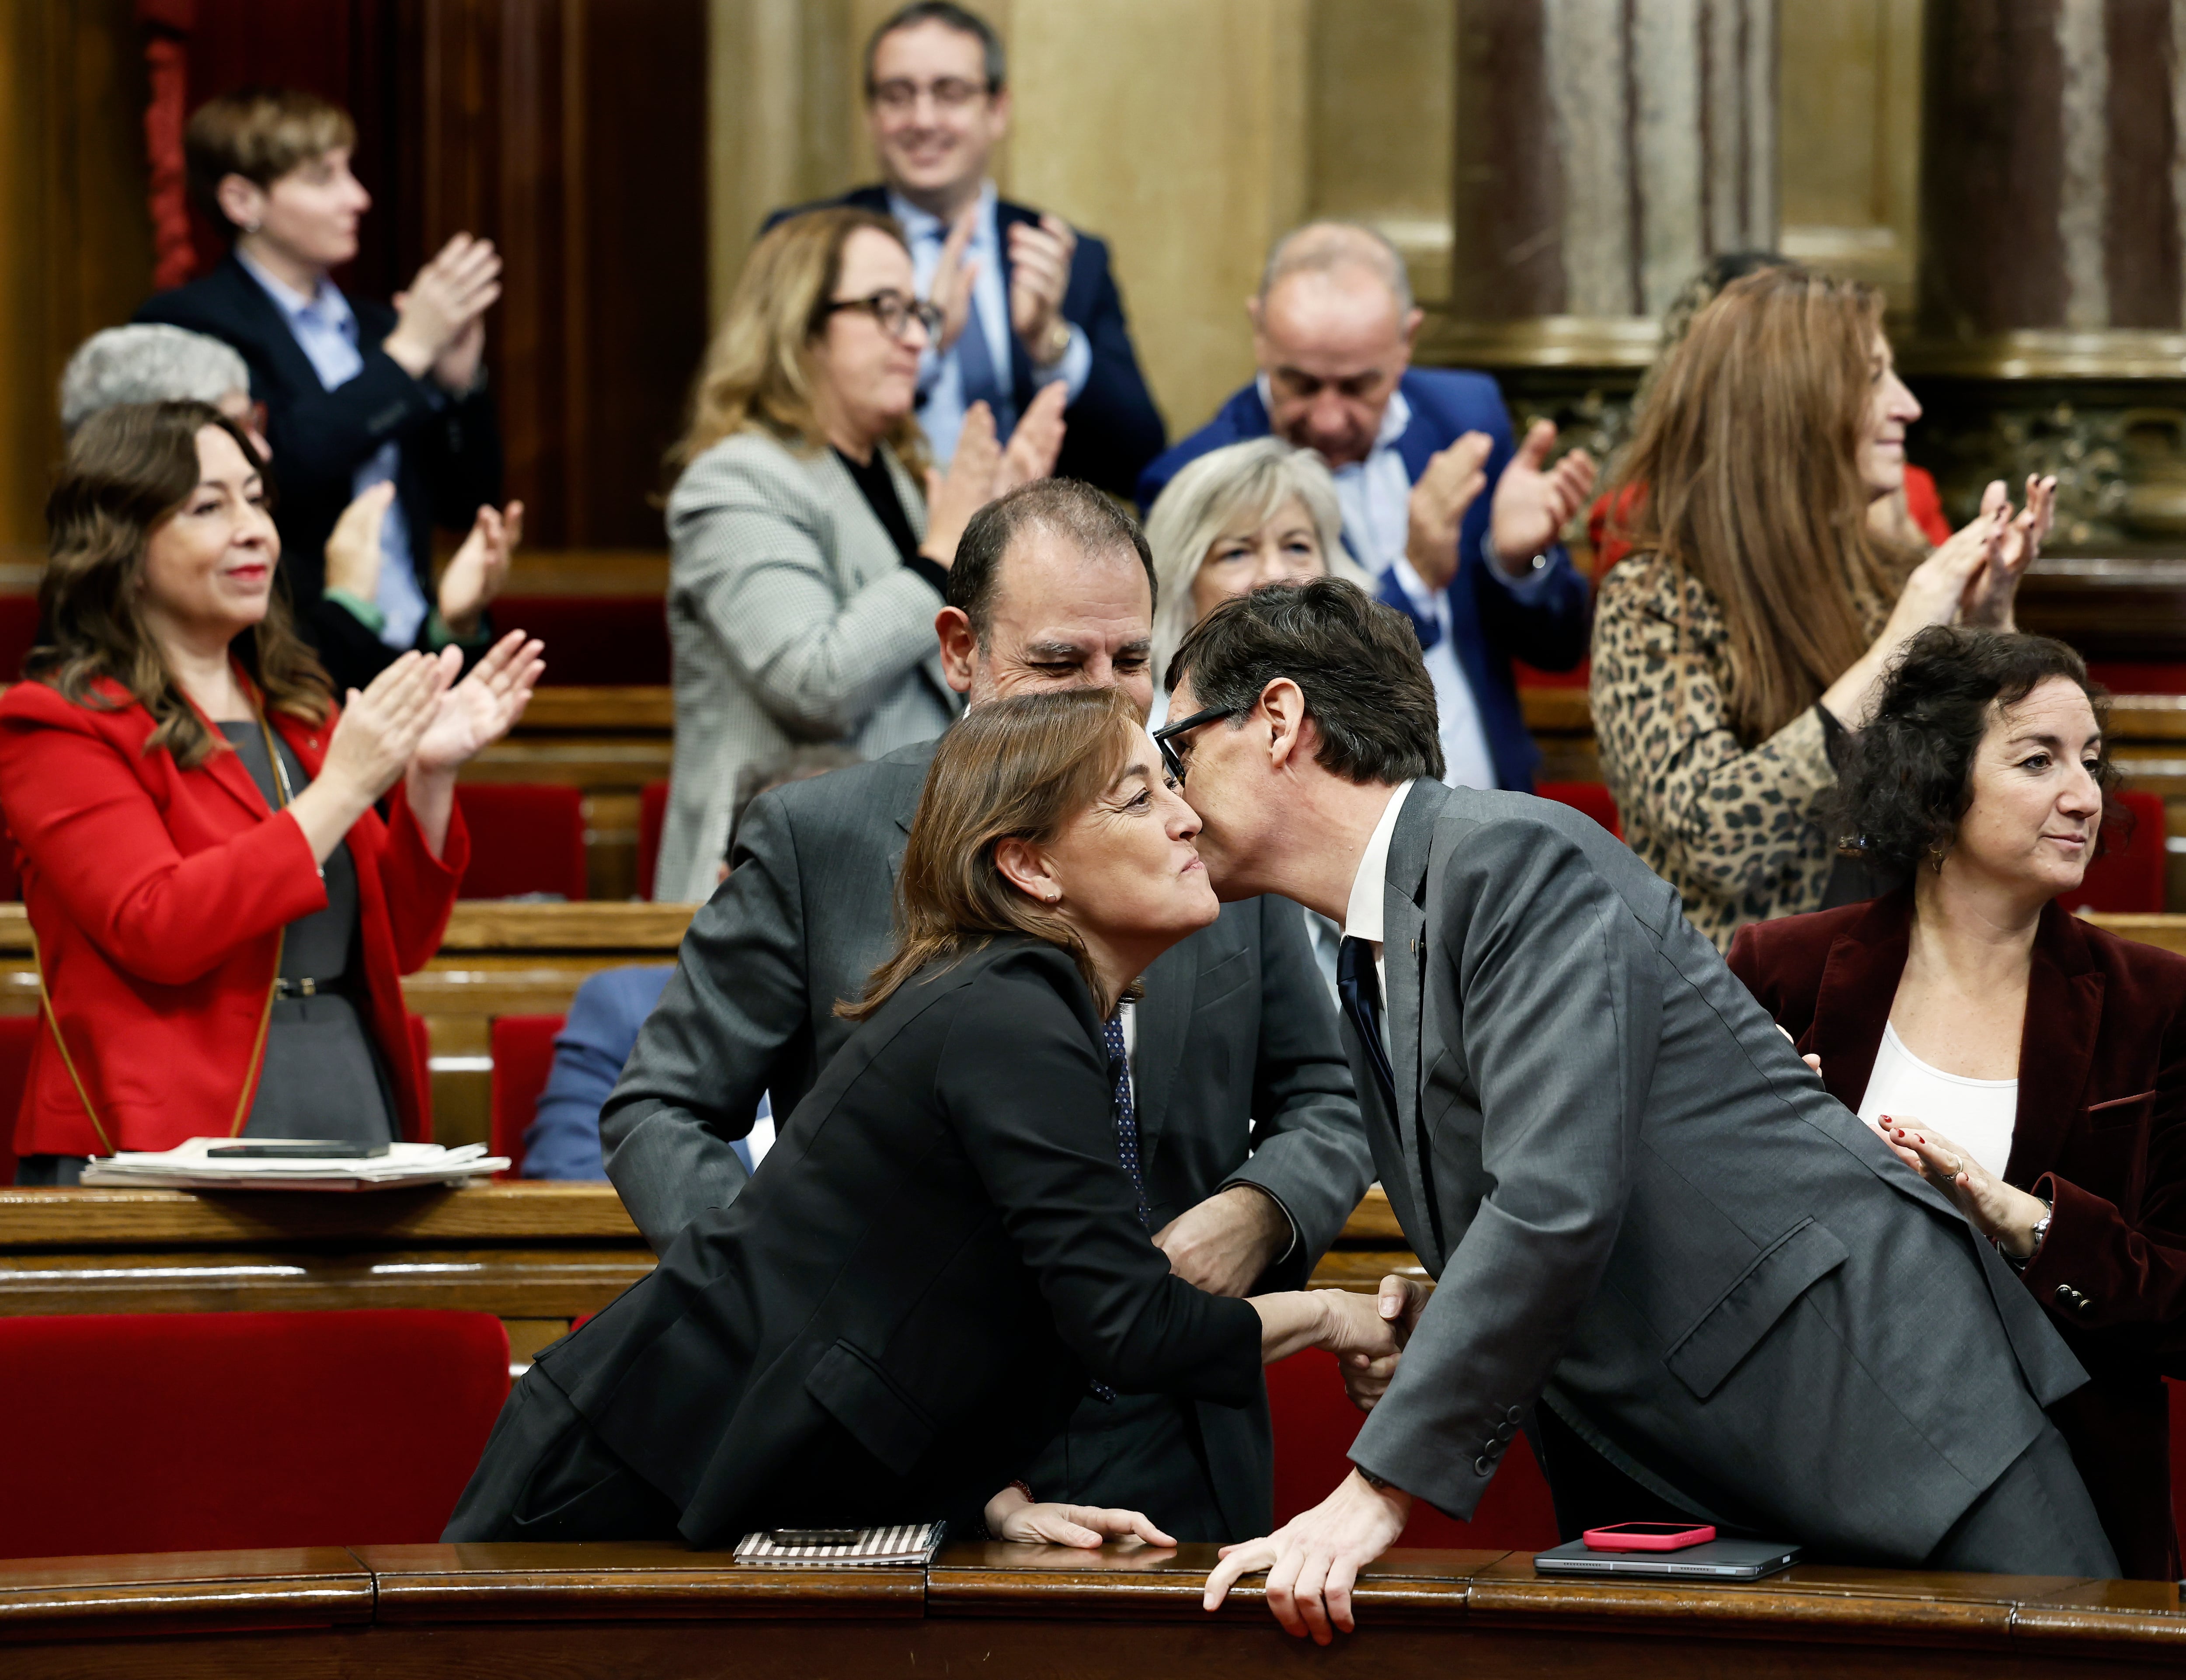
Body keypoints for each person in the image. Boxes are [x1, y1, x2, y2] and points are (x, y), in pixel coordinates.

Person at [1156, 578, 2116, 1643]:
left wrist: (1371, 1495)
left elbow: (1556, 1198)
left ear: (1279, 722)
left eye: (1178, 748)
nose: (1170, 796)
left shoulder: (1510, 860)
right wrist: (1444, 1318)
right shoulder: (1375, 940)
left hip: (1893, 1420)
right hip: (1720, 1467)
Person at [604, 479, 1373, 1542]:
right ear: (959, 652)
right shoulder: (816, 839)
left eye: (1132, 663)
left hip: (1174, 1435)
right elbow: (659, 1115)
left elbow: (1328, 1094)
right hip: (903, 1448)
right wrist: (798, 1329)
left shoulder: (1199, 843)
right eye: (1059, 663)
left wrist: (1259, 1212)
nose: (1105, 701)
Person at [447, 687, 1398, 1546]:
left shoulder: (1023, 1002)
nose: (1190, 819)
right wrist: (1333, 1313)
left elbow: (917, 1305)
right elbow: (1132, 1327)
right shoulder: (1011, 1018)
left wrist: (987, 1496)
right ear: (1028, 865)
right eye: (1139, 797)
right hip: (620, 1487)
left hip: (729, 1477)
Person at [1727, 626, 2186, 1580]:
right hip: (1800, 1504)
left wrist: (2028, 1221)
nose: (2084, 795)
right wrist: (1764, 1158)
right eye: (2037, 759)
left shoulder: (2158, 1003)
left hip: (2064, 1517)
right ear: (1934, 783)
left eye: (2091, 763)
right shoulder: (1782, 972)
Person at [0, 403, 542, 1180]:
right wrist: (349, 785)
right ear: (123, 544)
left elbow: (403, 940)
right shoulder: (55, 721)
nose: (253, 527)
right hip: (154, 1129)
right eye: (209, 507)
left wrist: (428, 774)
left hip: (350, 1097)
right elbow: (158, 924)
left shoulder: (296, 708)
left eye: (256, 499)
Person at [1589, 265, 2058, 951]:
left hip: (1917, 977)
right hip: (1745, 1008)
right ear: (1791, 404)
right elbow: (1713, 841)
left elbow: (1997, 800)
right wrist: (1897, 643)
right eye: (1873, 378)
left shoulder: (1888, 573)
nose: (1907, 405)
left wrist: (1990, 625)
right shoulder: (1655, 598)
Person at [654, 207, 1064, 903]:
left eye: (918, 313)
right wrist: (942, 550)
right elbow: (813, 680)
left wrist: (1000, 543)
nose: (914, 338)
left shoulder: (902, 479)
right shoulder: (736, 480)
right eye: (884, 309)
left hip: (900, 869)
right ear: (800, 325)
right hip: (769, 886)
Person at [1137, 223, 1594, 795]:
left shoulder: (1467, 416)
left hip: (1491, 803)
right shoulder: (1198, 475)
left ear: (1408, 339)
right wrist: (1414, 578)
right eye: (1300, 383)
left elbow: (1560, 648)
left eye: (1359, 386)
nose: (1329, 417)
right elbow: (1257, 685)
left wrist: (1516, 563)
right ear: (1258, 332)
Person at [136, 87, 516, 697]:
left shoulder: (378, 330)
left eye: (351, 171)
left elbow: (468, 501)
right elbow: (282, 464)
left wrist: (459, 384)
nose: (357, 198)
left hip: (415, 648)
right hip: (290, 658)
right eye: (323, 178)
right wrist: (409, 355)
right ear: (241, 199)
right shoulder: (190, 323)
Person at [765, 1, 1164, 498]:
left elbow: (1139, 459)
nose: (923, 119)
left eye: (949, 93)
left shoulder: (1067, 257)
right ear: (871, 115)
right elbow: (770, 419)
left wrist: (1051, 345)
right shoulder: (807, 241)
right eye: (897, 95)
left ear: (996, 110)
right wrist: (923, 343)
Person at [57, 325, 522, 691]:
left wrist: (452, 622)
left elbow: (385, 718)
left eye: (253, 421)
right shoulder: (82, 664)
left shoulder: (269, 568)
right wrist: (349, 607)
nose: (261, 447)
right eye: (233, 427)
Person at [520, 746, 860, 1180]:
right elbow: (567, 1184)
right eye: (789, 867)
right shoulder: (626, 1007)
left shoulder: (922, 1017)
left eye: (838, 870)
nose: (814, 895)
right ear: (728, 885)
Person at [1589, 252, 1955, 572]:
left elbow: (1951, 632)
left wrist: (1902, 546)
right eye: (1871, 377)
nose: (1911, 408)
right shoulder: (1650, 543)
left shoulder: (1907, 489)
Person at [1144, 438, 1368, 707]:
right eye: (1237, 553)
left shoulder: (1391, 714)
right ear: (1181, 589)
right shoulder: (1148, 742)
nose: (1275, 575)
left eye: (1297, 547)